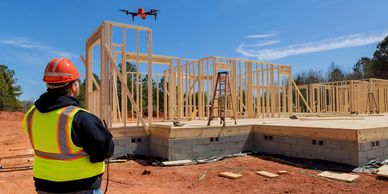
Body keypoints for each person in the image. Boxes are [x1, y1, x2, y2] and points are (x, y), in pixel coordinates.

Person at [23, 57, 114, 194]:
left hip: (44, 186)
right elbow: (105, 150)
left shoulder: (31, 115)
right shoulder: (79, 118)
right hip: (81, 187)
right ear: (73, 86)